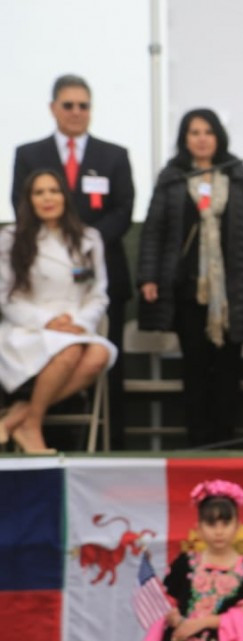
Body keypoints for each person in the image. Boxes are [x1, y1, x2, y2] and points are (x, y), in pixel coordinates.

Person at [136, 109, 243, 447]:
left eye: (208, 132)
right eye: (194, 132)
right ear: (185, 139)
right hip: (188, 292)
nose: (201, 138)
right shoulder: (171, 178)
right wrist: (148, 277)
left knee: (229, 370)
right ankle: (198, 442)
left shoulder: (240, 176)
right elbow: (154, 231)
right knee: (195, 369)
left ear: (218, 138)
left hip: (235, 291)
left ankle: (225, 438)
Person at [10, 74, 133, 450]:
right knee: (61, 354)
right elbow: (20, 202)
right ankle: (32, 424)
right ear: (53, 109)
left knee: (103, 360)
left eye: (84, 105)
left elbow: (123, 210)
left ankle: (107, 443)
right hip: (38, 288)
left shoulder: (114, 155)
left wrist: (79, 241)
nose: (77, 112)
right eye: (69, 105)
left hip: (96, 270)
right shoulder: (29, 154)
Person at [0, 169, 116, 454]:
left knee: (99, 354)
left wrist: (78, 322)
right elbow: (6, 296)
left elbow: (97, 293)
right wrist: (48, 321)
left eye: (54, 190)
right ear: (29, 200)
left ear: (65, 196)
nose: (48, 198)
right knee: (70, 352)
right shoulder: (11, 238)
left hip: (76, 326)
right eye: (39, 193)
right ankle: (32, 425)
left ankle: (20, 416)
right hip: (29, 329)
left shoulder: (89, 238)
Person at [147, 479, 243, 641]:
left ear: (238, 526)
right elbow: (166, 605)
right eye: (211, 524)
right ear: (198, 528)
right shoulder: (184, 563)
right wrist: (173, 617)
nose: (219, 531)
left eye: (226, 523)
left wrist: (198, 624)